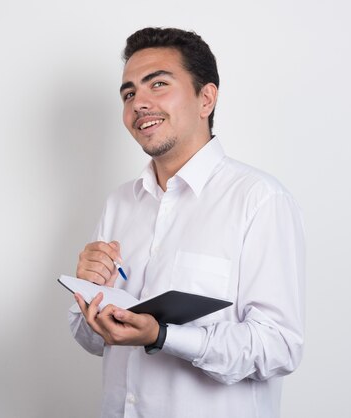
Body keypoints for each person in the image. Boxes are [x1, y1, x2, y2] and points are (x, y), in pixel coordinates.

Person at [68, 27, 305, 418]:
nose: (138, 103)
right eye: (128, 94)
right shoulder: (119, 203)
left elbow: (279, 346)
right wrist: (90, 294)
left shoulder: (260, 200)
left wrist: (163, 336)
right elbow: (93, 342)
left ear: (205, 98)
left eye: (157, 84)